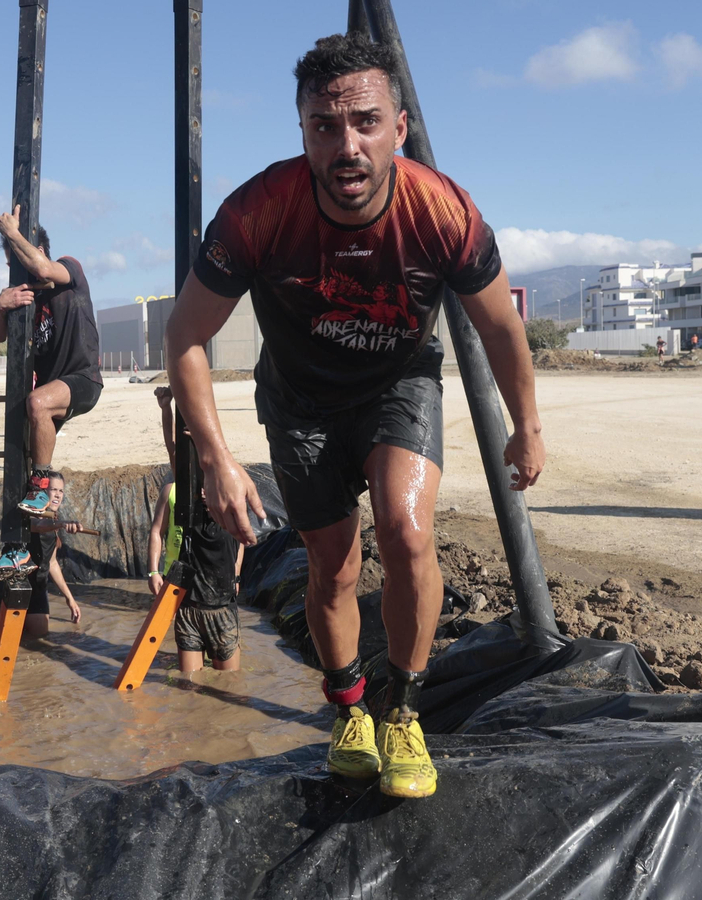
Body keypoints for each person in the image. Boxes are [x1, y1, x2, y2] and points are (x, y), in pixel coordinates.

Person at [164, 35, 544, 799]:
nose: (347, 146)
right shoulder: (259, 211)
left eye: (365, 123)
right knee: (332, 562)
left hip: (398, 382)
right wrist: (217, 458)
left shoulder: (442, 211)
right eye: (325, 127)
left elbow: (500, 325)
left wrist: (526, 423)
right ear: (302, 130)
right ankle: (347, 708)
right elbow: (184, 334)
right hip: (300, 403)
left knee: (406, 532)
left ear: (398, 128)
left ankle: (401, 708)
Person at [0, 208, 102, 577]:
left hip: (82, 380)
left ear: (36, 249)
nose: (17, 273)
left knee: (36, 403)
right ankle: (19, 549)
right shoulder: (25, 298)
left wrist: (10, 231)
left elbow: (44, 269)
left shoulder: (70, 271)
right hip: (50, 396)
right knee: (16, 458)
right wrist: (0, 306)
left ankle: (41, 482)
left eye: (18, 262)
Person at [146, 387, 244, 673]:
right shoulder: (184, 497)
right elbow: (173, 449)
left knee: (229, 687)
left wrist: (237, 573)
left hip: (222, 607)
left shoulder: (229, 498)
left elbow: (244, 540)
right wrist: (167, 409)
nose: (203, 489)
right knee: (188, 687)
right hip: (188, 606)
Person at [0, 471, 85, 638]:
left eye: (61, 491)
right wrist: (61, 524)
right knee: (7, 641)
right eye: (53, 489)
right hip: (13, 586)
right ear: (41, 493)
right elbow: (37, 524)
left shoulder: (54, 522)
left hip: (38, 589)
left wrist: (70, 599)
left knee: (38, 643)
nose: (57, 495)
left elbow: (53, 563)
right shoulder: (27, 515)